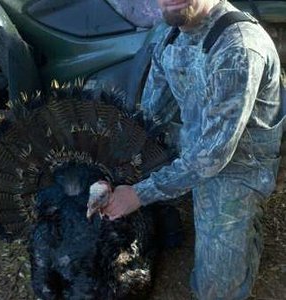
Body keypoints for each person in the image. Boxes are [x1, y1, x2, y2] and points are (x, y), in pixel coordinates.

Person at [102, 0, 283, 299]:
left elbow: (213, 157)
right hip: (198, 140)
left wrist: (138, 193)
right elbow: (150, 116)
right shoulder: (169, 32)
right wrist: (115, 170)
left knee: (215, 292)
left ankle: (246, 226)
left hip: (238, 164)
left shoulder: (237, 48)